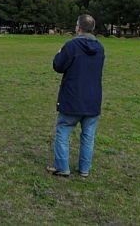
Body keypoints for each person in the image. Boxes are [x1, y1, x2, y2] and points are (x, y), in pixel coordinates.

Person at [47, 14, 105, 178]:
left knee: (63, 131)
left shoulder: (71, 45)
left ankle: (62, 167)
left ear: (78, 27)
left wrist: (59, 53)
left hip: (72, 98)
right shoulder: (100, 48)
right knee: (88, 136)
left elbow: (58, 66)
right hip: (93, 99)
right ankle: (84, 169)